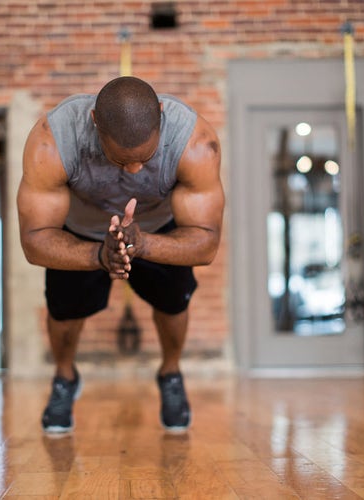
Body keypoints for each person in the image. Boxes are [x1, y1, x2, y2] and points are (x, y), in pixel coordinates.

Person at [17, 76, 224, 434]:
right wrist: (100, 254)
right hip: (80, 229)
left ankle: (170, 372)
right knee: (64, 310)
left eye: (144, 159)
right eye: (120, 160)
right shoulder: (54, 140)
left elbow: (205, 244)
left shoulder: (193, 142)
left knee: (174, 301)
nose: (133, 171)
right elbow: (35, 241)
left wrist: (142, 244)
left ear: (160, 116)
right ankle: (65, 376)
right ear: (95, 121)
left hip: (156, 228)